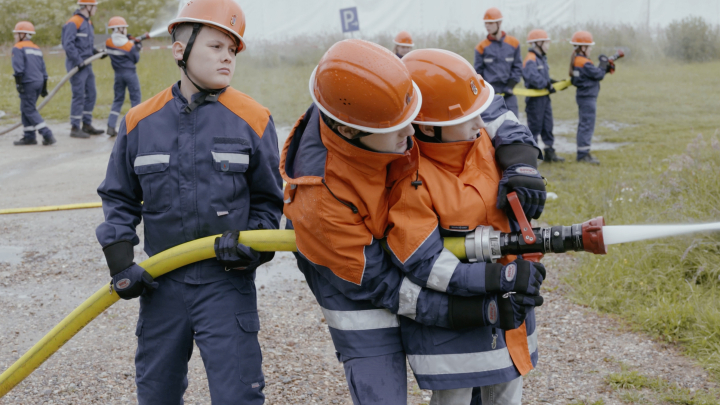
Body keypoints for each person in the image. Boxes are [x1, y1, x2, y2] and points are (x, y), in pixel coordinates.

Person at [281, 39, 504, 405]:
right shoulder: (319, 198)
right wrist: (453, 310)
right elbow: (381, 284)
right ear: (351, 132)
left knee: (471, 375)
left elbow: (469, 102)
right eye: (402, 128)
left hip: (398, 243)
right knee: (381, 392)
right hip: (357, 281)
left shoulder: (376, 97)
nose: (413, 132)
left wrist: (518, 151)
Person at [95, 0, 283, 403]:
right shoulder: (140, 121)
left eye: (232, 50)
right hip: (161, 284)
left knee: (238, 395)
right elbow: (118, 195)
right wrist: (121, 260)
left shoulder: (254, 119)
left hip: (226, 283)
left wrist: (255, 247)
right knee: (156, 393)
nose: (227, 58)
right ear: (181, 50)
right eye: (216, 46)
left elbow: (270, 202)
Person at [389, 48, 545, 405]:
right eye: (470, 118)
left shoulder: (483, 144)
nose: (481, 123)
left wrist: (522, 170)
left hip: (509, 318)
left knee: (506, 396)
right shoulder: (410, 183)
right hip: (454, 334)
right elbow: (424, 263)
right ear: (428, 126)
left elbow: (498, 122)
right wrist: (498, 280)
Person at [62, 0, 105, 139]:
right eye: (95, 7)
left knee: (91, 94)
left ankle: (86, 125)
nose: (96, 9)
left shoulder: (88, 23)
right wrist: (78, 61)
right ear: (88, 6)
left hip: (86, 64)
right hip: (77, 65)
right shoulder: (74, 21)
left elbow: (86, 45)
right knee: (79, 95)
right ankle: (75, 127)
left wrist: (97, 52)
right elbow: (68, 44)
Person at [11, 21, 56, 146]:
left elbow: (18, 68)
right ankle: (29, 136)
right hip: (39, 82)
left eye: (16, 34)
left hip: (28, 82)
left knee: (29, 109)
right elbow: (43, 68)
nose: (15, 37)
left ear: (23, 34)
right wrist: (44, 87)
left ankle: (47, 134)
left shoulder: (18, 47)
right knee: (26, 108)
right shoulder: (36, 48)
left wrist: (18, 83)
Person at [570, 30, 611, 164]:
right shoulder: (583, 62)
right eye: (589, 46)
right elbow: (598, 75)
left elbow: (595, 73)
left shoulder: (578, 60)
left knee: (585, 124)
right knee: (587, 125)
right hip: (587, 98)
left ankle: (583, 152)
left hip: (584, 97)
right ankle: (583, 155)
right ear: (582, 47)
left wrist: (603, 66)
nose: (591, 49)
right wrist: (604, 64)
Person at [522, 29, 564, 162]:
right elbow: (532, 78)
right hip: (535, 101)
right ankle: (531, 157)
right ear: (538, 43)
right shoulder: (531, 59)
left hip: (545, 99)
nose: (548, 45)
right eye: (546, 42)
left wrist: (552, 82)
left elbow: (542, 77)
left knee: (548, 125)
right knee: (534, 127)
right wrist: (547, 85)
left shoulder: (541, 58)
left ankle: (549, 153)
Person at [474, 7, 522, 117]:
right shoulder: (481, 47)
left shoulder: (513, 43)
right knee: (491, 128)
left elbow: (517, 67)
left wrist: (511, 85)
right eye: (486, 23)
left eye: (490, 23)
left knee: (513, 124)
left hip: (509, 94)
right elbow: (478, 73)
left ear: (499, 23)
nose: (487, 26)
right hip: (490, 96)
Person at [105, 16, 142, 137]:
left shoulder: (108, 42)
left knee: (118, 99)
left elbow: (116, 46)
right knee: (135, 99)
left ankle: (111, 126)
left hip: (118, 75)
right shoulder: (128, 45)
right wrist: (138, 47)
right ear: (120, 29)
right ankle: (135, 127)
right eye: (124, 28)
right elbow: (135, 59)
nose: (125, 30)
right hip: (130, 74)